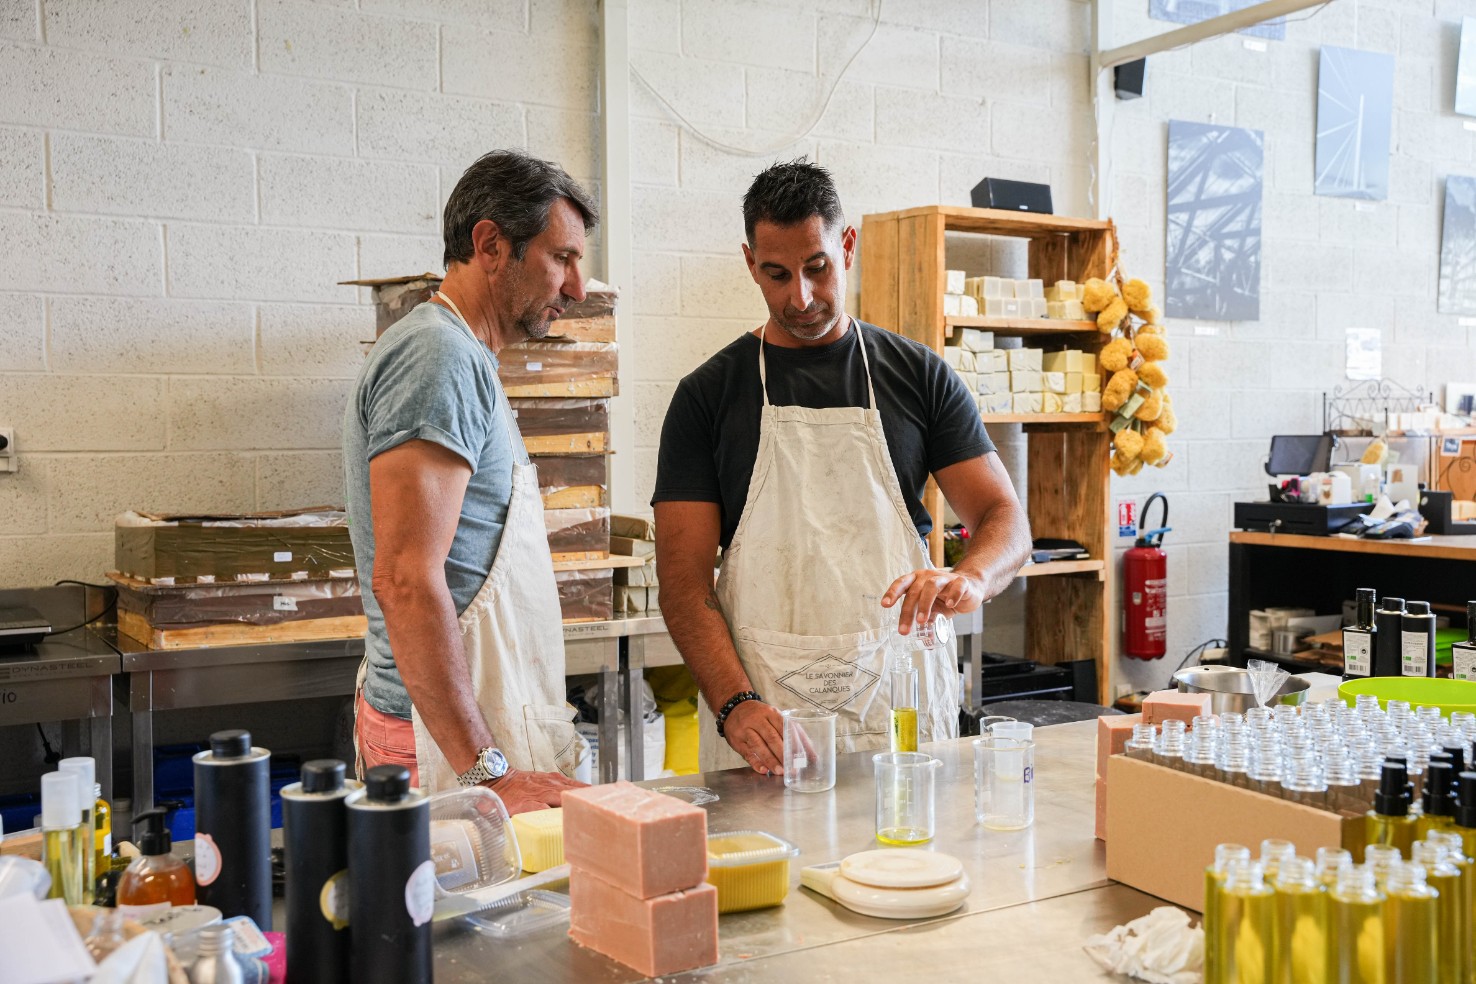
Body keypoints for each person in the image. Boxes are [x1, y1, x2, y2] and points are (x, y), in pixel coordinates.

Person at [652, 159, 1032, 775]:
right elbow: (684, 582)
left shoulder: (919, 375)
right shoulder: (708, 396)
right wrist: (734, 704)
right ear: (750, 263)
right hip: (768, 720)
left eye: (817, 268)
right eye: (776, 274)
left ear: (846, 246)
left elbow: (1005, 518)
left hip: (897, 706)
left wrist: (972, 576)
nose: (799, 297)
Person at [344, 150, 595, 813]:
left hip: (461, 742)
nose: (577, 288)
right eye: (562, 258)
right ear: (490, 244)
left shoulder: (468, 360)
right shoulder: (439, 355)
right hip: (441, 754)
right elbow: (405, 579)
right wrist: (489, 773)